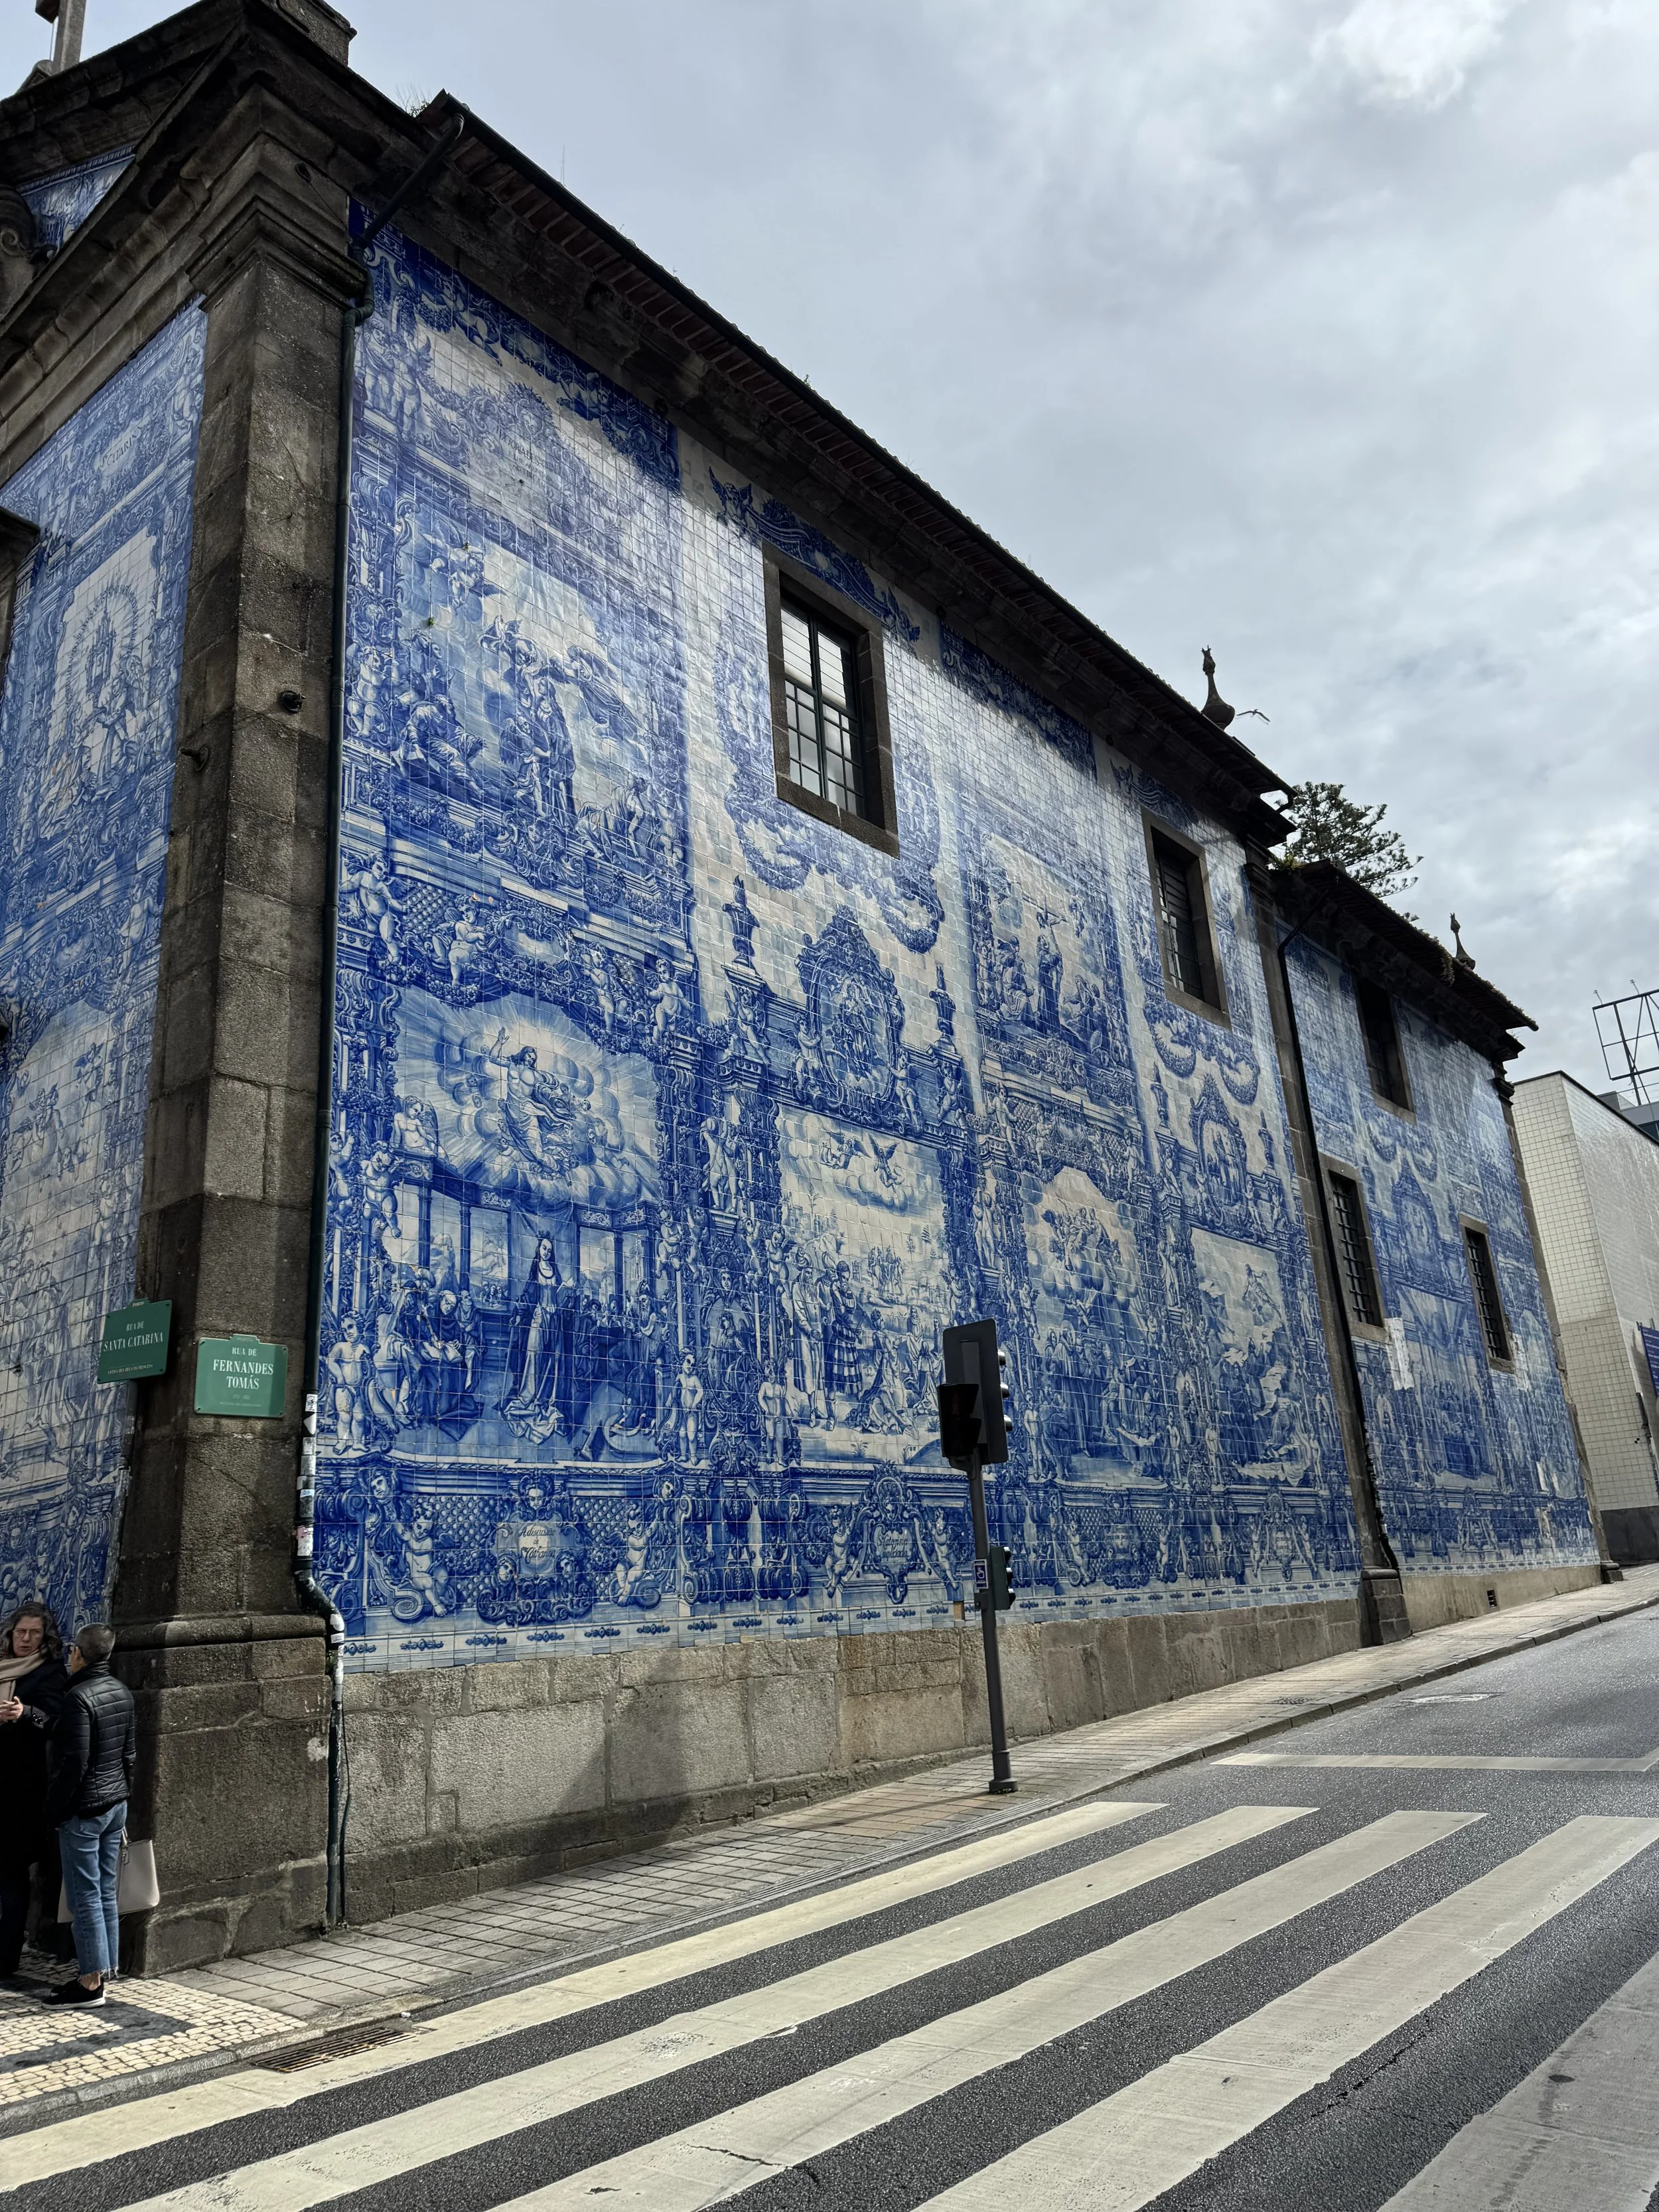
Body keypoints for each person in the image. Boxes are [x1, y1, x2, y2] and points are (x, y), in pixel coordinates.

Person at [42, 1621, 136, 2008]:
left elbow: (75, 1762)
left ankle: (89, 1983)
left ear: (78, 1654)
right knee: (104, 1891)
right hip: (115, 1804)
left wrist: (55, 1808)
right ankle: (104, 1968)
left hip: (85, 1810)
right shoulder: (121, 1691)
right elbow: (130, 1754)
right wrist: (122, 1792)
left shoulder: (78, 1698)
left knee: (86, 1895)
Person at [0, 1602, 70, 1978]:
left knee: (10, 1874)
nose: (26, 1640)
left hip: (19, 1792)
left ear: (46, 1638)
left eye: (35, 1634)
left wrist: (25, 1714)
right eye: (20, 1633)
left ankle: (6, 1958)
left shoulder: (49, 1672)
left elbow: (57, 1723)